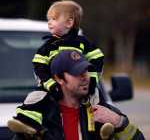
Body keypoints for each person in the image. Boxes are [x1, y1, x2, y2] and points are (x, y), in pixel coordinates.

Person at [8, 50, 145, 140]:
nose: (84, 77)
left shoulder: (105, 113)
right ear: (59, 79)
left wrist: (119, 122)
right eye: (76, 73)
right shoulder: (39, 118)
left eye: (86, 71)